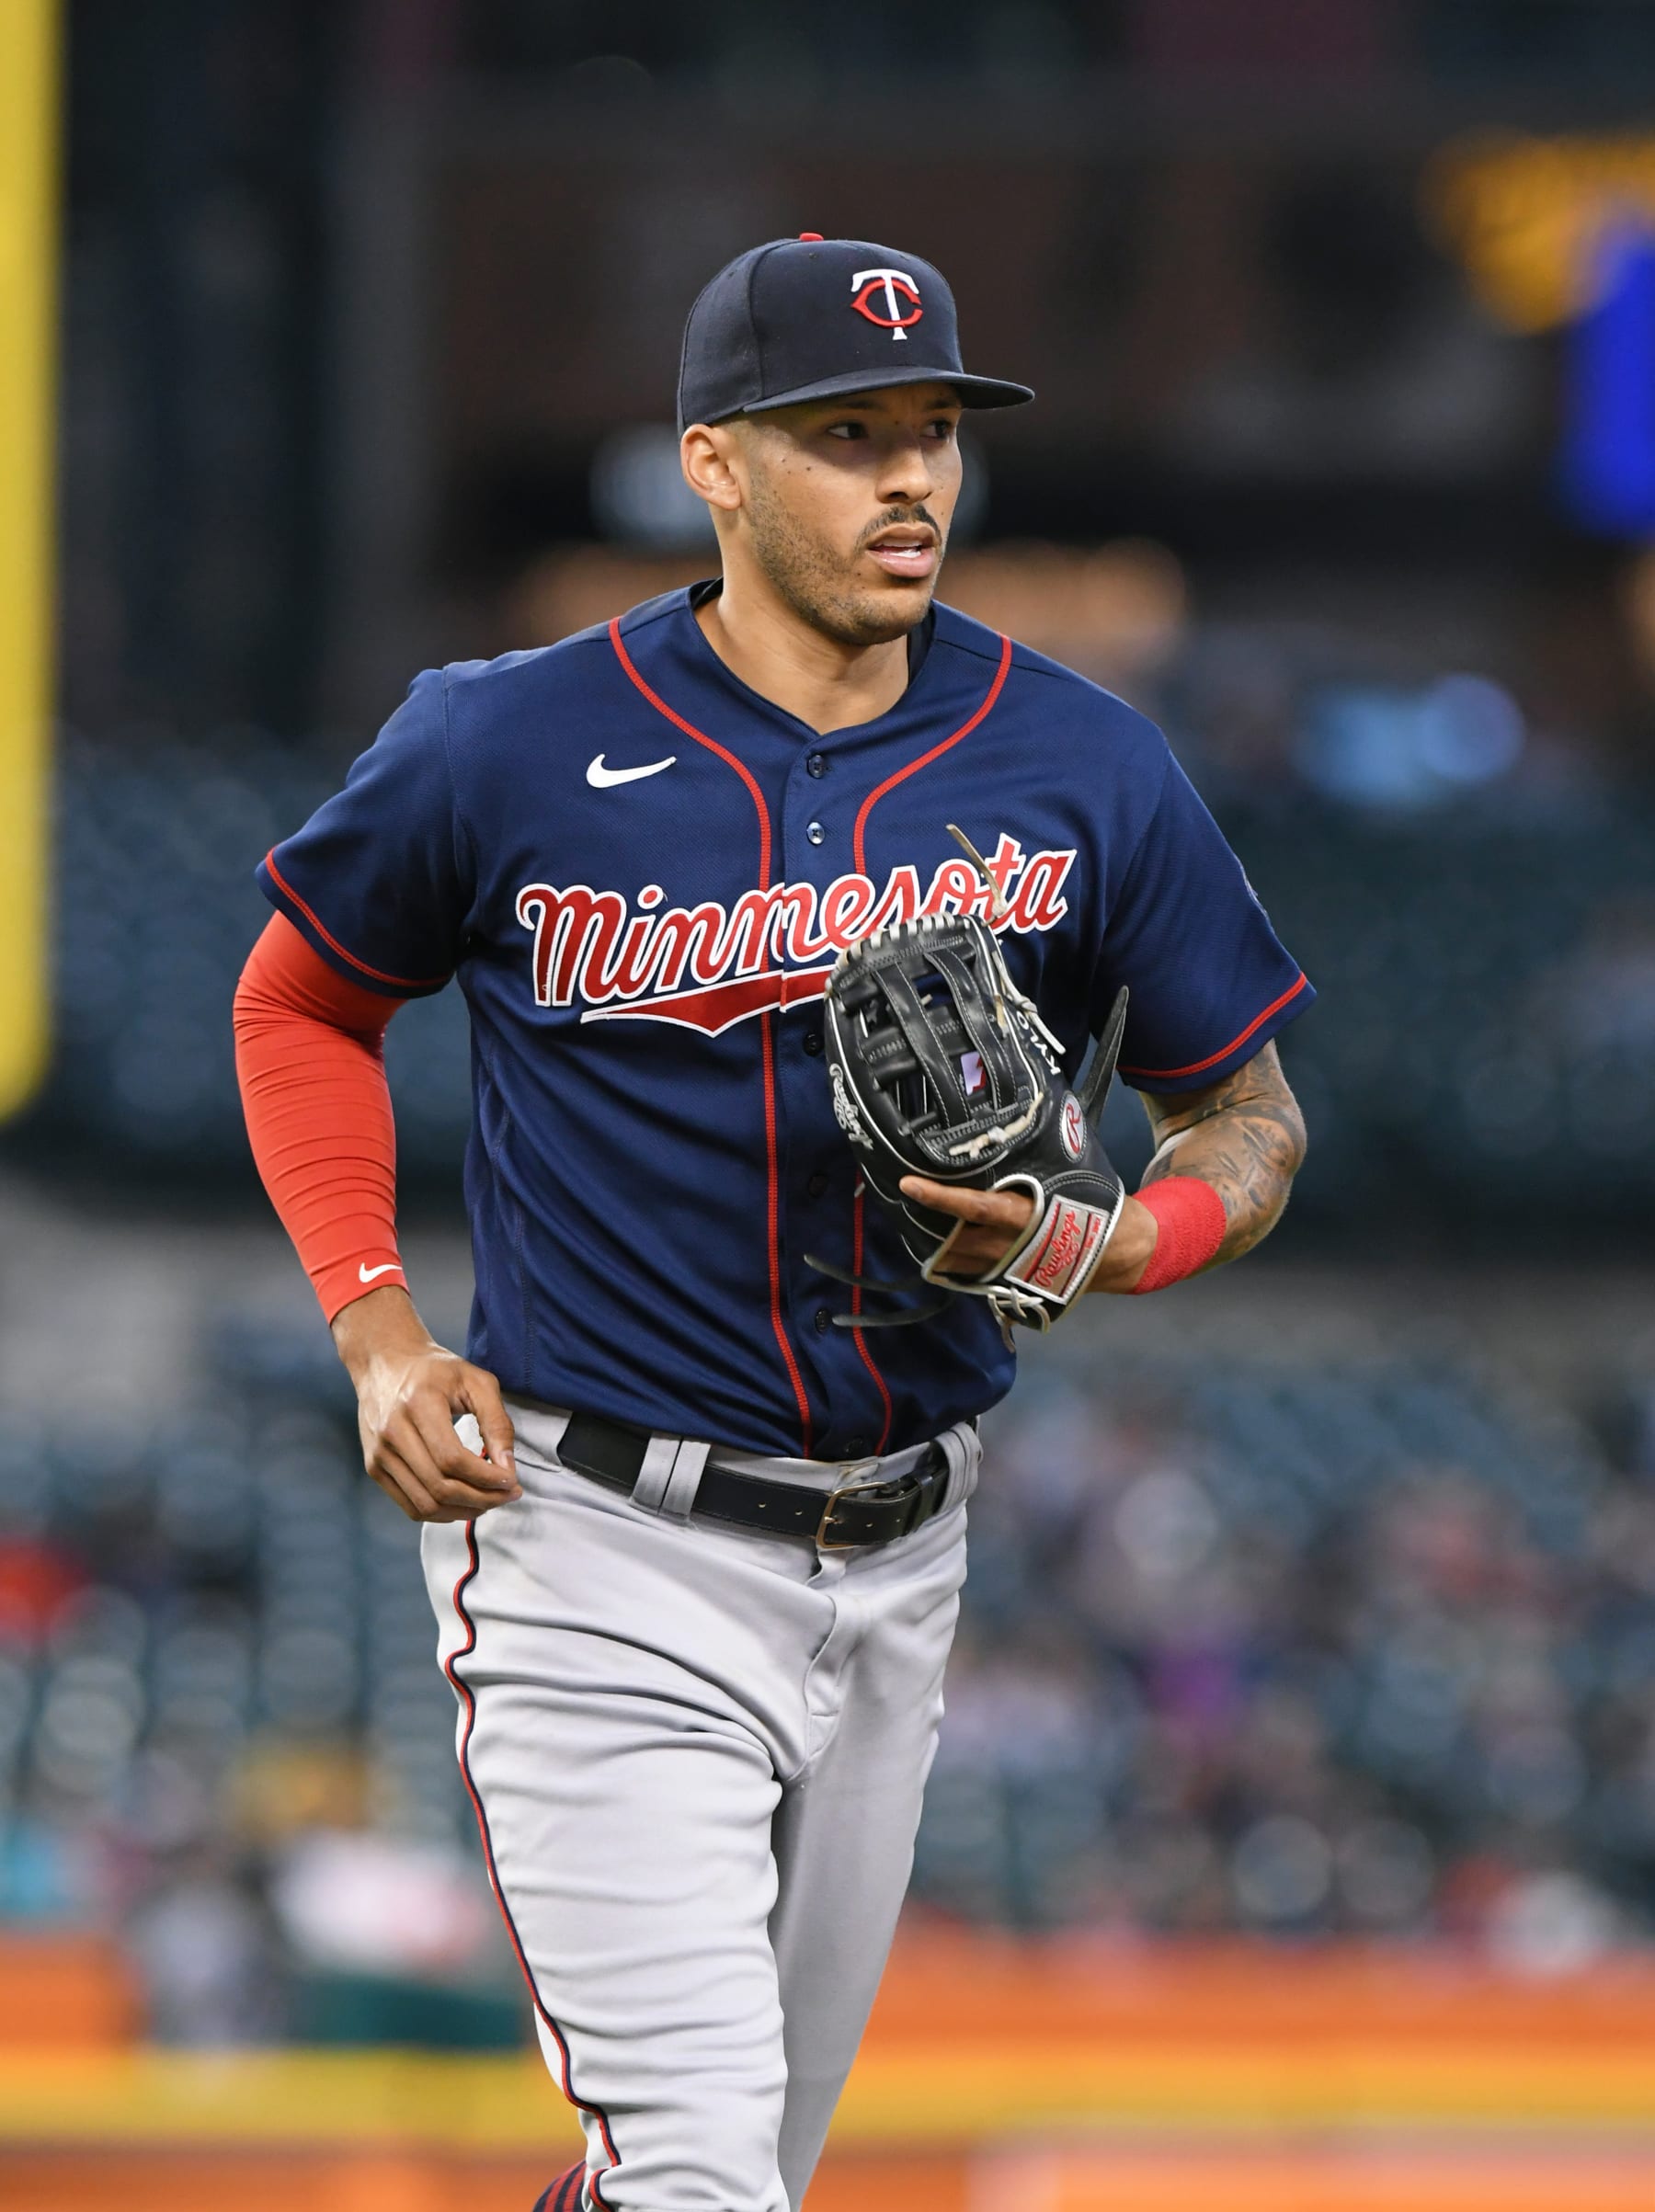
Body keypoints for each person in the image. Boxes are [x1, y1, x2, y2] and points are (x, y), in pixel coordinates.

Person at [234, 234, 1312, 2212]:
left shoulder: (1083, 761)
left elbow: (1244, 1113)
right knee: (705, 2179)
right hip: (596, 1545)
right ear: (714, 463)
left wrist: (1120, 1240)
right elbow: (300, 998)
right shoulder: (506, 739)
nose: (910, 481)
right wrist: (376, 1325)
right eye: (845, 437)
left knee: (724, 2175)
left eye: (933, 434)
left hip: (907, 1553)